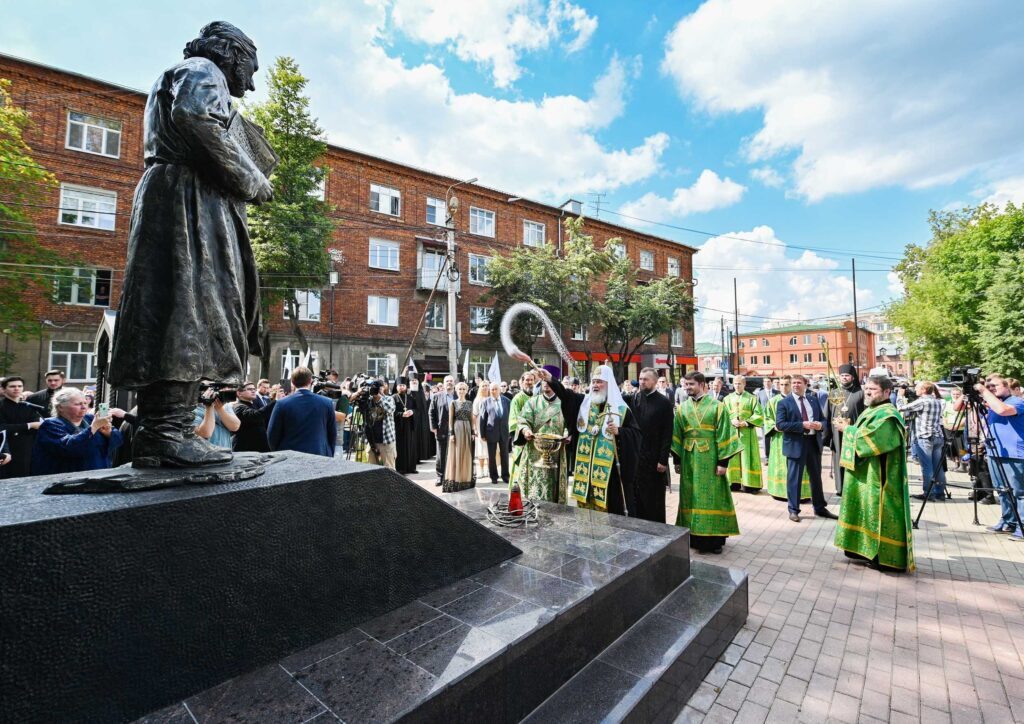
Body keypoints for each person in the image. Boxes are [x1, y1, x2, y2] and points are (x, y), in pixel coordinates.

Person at [107, 22, 273, 468]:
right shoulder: (204, 70)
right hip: (188, 201)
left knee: (189, 311)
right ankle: (165, 432)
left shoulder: (190, 72)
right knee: (189, 309)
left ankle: (170, 429)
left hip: (188, 196)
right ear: (231, 55)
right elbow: (195, 117)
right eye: (249, 69)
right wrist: (251, 176)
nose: (249, 84)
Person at [833, 375, 915, 572]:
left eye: (873, 389)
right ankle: (860, 550)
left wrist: (847, 429)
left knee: (879, 513)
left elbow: (873, 441)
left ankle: (884, 557)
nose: (868, 392)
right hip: (866, 472)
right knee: (863, 509)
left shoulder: (888, 415)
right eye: (867, 388)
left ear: (887, 392)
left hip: (881, 477)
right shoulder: (872, 410)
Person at [539, 364, 641, 516]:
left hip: (608, 474)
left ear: (608, 384)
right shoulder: (584, 403)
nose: (595, 385)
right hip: (585, 472)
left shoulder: (621, 409)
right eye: (593, 381)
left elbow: (636, 435)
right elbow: (566, 395)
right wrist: (550, 380)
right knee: (585, 513)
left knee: (609, 511)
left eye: (599, 381)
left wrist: (619, 431)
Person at [671, 372, 742, 554]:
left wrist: (723, 462)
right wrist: (677, 460)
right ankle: (693, 536)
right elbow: (677, 435)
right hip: (689, 461)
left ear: (702, 384)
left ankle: (714, 540)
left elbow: (725, 434)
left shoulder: (718, 407)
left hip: (711, 459)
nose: (687, 388)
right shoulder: (682, 408)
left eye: (691, 384)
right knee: (690, 496)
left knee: (712, 498)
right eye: (685, 384)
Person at [776, 374, 838, 522]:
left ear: (806, 384)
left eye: (799, 383)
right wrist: (801, 425)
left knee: (816, 477)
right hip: (796, 444)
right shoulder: (784, 403)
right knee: (794, 479)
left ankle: (820, 508)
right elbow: (780, 425)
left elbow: (824, 420)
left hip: (813, 442)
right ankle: (793, 510)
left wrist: (820, 425)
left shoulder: (813, 399)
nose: (796, 385)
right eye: (794, 383)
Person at [974, 375, 1024, 539]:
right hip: (995, 452)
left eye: (995, 386)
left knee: (1019, 491)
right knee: (1002, 490)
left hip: (1014, 454)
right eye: (989, 386)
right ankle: (1008, 521)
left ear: (1007, 387)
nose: (991, 388)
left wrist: (983, 390)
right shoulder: (993, 404)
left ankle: (1021, 525)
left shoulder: (1016, 401)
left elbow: (1003, 410)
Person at [31, 388, 123, 474]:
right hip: (69, 478)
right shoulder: (50, 425)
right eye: (77, 404)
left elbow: (119, 440)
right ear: (60, 407)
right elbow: (69, 447)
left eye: (85, 403)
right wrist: (93, 428)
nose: (83, 407)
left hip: (99, 472)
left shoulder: (91, 419)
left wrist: (109, 433)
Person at [626, 367, 674, 523]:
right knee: (637, 495)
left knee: (654, 498)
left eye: (645, 379)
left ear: (654, 381)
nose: (641, 382)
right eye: (640, 379)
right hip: (636, 456)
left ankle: (656, 529)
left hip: (654, 459)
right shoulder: (635, 398)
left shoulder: (664, 403)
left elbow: (667, 433)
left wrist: (663, 459)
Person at [514, 365, 569, 503]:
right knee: (534, 489)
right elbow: (522, 420)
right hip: (534, 451)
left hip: (556, 453)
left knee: (553, 486)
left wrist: (568, 434)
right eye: (543, 381)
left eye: (549, 381)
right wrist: (525, 430)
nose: (546, 384)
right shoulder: (532, 402)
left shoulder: (565, 403)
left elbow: (570, 423)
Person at [267, 367, 336, 457]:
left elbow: (272, 434)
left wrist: (279, 453)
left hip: (290, 456)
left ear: (292, 382)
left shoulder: (282, 403)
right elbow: (332, 433)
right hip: (318, 454)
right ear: (310, 381)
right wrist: (329, 453)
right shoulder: (326, 403)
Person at [897, 381, 947, 501]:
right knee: (937, 467)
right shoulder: (937, 401)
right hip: (938, 436)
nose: (915, 390)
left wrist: (899, 396)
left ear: (924, 390)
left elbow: (901, 408)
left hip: (925, 437)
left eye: (917, 388)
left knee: (927, 467)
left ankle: (928, 493)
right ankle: (940, 493)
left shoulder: (922, 401)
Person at [764, 376, 810, 502]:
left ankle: (800, 493)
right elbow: (767, 418)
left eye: (786, 384)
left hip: (795, 439)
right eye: (781, 384)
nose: (784, 387)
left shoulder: (799, 400)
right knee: (780, 466)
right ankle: (779, 492)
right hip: (779, 439)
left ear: (791, 385)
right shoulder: (773, 401)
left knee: (796, 467)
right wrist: (774, 427)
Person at [826, 365, 866, 496]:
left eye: (847, 375)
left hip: (853, 431)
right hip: (837, 433)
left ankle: (853, 487)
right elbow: (827, 414)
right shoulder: (834, 393)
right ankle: (840, 488)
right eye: (842, 375)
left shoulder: (860, 394)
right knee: (838, 458)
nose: (844, 377)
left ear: (852, 377)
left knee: (853, 458)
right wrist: (827, 436)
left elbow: (865, 414)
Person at [723, 375, 764, 493]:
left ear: (744, 384)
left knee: (748, 457)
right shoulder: (727, 399)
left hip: (747, 433)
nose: (737, 386)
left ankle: (750, 484)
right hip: (732, 433)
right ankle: (734, 483)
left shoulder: (752, 398)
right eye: (735, 383)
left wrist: (746, 423)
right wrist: (731, 421)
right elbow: (723, 415)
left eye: (739, 383)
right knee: (733, 457)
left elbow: (759, 415)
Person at [0, 376, 44, 478]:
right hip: (7, 448)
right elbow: (2, 427)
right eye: (12, 386)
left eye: (20, 386)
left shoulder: (28, 406)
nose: (17, 389)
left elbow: (38, 424)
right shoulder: (1, 406)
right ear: (4, 389)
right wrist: (29, 425)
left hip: (27, 447)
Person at [354, 378, 397, 469]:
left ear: (383, 388)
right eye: (375, 388)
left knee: (389, 469)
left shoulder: (389, 399)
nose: (378, 390)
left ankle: (390, 484)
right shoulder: (368, 400)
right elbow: (355, 403)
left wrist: (378, 398)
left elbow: (390, 409)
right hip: (371, 440)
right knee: (371, 469)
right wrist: (359, 393)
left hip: (386, 440)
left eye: (379, 388)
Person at [443, 381, 476, 492]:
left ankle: (464, 478)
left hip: (467, 429)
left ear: (466, 390)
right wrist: (451, 433)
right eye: (460, 389)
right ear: (456, 390)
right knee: (456, 454)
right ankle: (456, 478)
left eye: (463, 389)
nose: (461, 391)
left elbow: (472, 419)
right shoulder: (453, 403)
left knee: (466, 453)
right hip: (457, 429)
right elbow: (451, 419)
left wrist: (472, 432)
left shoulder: (470, 403)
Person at [507, 370, 537, 487]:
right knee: (521, 470)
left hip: (536, 441)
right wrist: (524, 432)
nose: (529, 382)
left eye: (531, 380)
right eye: (527, 380)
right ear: (522, 382)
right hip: (523, 440)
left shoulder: (537, 397)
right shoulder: (517, 399)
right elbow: (514, 419)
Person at [479, 381, 511, 486]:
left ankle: (505, 475)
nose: (493, 391)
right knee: (491, 456)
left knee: (505, 455)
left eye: (495, 389)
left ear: (500, 390)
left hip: (504, 432)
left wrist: (511, 430)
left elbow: (511, 416)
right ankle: (493, 476)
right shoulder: (485, 402)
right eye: (491, 389)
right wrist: (482, 434)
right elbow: (482, 419)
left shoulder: (507, 401)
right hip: (491, 432)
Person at [232, 381, 276, 453]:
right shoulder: (238, 407)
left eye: (254, 389)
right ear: (239, 393)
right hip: (246, 451)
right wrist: (275, 401)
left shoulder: (251, 405)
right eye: (249, 389)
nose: (253, 391)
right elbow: (256, 416)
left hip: (257, 450)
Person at [193, 385, 241, 450]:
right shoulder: (192, 409)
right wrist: (209, 405)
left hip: (225, 453)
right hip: (205, 454)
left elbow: (235, 426)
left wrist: (219, 409)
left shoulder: (223, 404)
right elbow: (205, 433)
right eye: (208, 389)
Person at [429, 375, 456, 486]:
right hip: (441, 429)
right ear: (444, 384)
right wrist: (433, 427)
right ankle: (440, 476)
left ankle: (453, 475)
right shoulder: (436, 396)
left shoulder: (459, 395)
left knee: (454, 453)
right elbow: (431, 412)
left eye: (451, 381)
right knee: (441, 454)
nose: (449, 383)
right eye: (447, 381)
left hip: (456, 430)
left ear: (454, 383)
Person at [392, 377, 419, 474]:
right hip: (398, 426)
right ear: (396, 387)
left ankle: (411, 468)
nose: (401, 387)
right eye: (399, 386)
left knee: (410, 446)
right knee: (400, 447)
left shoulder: (411, 398)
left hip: (409, 426)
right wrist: (401, 414)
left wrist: (412, 412)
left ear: (406, 386)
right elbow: (391, 412)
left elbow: (417, 410)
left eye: (403, 385)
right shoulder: (393, 398)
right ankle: (401, 469)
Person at [942, 387, 968, 473]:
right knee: (951, 447)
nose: (956, 396)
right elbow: (944, 415)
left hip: (959, 428)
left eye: (958, 394)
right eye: (954, 394)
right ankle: (956, 464)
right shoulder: (947, 403)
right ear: (951, 394)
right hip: (948, 428)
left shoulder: (964, 404)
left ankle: (963, 464)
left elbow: (967, 417)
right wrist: (946, 425)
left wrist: (957, 425)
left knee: (961, 448)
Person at [409, 375, 434, 462]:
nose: (414, 382)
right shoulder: (408, 392)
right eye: (412, 380)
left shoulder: (420, 392)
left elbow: (423, 408)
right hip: (411, 420)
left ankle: (419, 457)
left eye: (416, 380)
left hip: (420, 420)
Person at [472, 381, 491, 479]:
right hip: (480, 427)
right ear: (480, 387)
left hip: (491, 427)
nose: (485, 387)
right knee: (480, 450)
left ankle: (489, 470)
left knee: (490, 450)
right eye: (483, 386)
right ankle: (481, 471)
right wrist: (474, 428)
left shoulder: (492, 398)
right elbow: (474, 415)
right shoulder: (477, 399)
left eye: (487, 385)